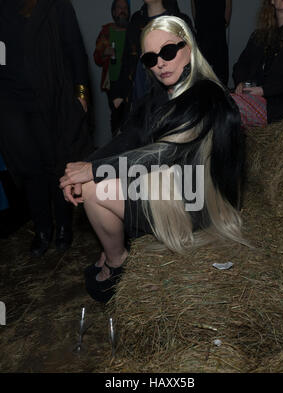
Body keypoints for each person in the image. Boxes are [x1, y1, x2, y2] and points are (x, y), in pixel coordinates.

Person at [60, 15, 246, 303]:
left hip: (199, 202)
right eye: (150, 57)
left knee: (93, 188)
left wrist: (92, 171)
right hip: (175, 185)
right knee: (93, 179)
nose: (160, 63)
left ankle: (117, 261)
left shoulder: (207, 95)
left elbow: (166, 152)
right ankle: (115, 249)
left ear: (189, 47)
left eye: (168, 52)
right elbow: (127, 139)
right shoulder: (158, 97)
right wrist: (84, 167)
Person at [0, 0, 91, 256]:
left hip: (52, 100)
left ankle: (63, 226)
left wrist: (81, 94)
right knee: (30, 169)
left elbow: (74, 48)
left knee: (57, 164)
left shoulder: (54, 4)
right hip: (12, 105)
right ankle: (42, 229)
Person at [110, 0, 194, 126]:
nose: (159, 62)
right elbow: (127, 59)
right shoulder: (136, 20)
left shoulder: (179, 20)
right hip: (139, 94)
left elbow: (194, 61)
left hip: (173, 98)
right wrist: (120, 92)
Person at [232, 0, 283, 126]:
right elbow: (240, 66)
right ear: (272, 1)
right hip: (253, 100)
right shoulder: (259, 35)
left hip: (281, 108)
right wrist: (241, 82)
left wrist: (264, 90)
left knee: (224, 107)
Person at [93, 0, 130, 136]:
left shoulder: (133, 30)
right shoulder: (106, 32)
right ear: (114, 12)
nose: (123, 11)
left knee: (132, 120)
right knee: (117, 120)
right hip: (113, 83)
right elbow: (96, 58)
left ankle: (133, 156)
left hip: (130, 82)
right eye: (119, 8)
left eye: (125, 8)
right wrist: (104, 52)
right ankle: (119, 157)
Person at [191, 0, 232, 85]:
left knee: (202, 74)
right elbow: (227, 18)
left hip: (203, 33)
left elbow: (195, 16)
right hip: (217, 33)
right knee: (220, 74)